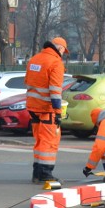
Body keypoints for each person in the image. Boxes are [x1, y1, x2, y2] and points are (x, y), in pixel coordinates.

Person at [25, 36, 68, 183]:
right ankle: (44, 174)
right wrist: (58, 113)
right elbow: (55, 90)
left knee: (39, 141)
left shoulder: (34, 59)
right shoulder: (55, 63)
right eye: (63, 51)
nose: (63, 54)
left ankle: (37, 173)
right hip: (46, 108)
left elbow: (29, 82)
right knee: (49, 141)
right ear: (60, 48)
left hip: (33, 106)